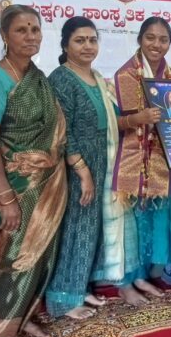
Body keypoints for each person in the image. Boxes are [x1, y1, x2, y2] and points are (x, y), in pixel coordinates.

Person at [0, 5, 67, 337]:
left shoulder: (38, 77)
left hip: (45, 187)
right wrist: (6, 197)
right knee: (14, 261)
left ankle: (19, 320)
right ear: (4, 36)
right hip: (10, 188)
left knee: (38, 258)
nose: (30, 36)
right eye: (21, 30)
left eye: (35, 29)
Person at [46, 17, 141, 314]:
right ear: (65, 45)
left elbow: (113, 120)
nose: (87, 46)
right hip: (78, 166)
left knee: (93, 229)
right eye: (80, 40)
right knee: (77, 229)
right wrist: (82, 171)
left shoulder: (97, 78)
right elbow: (62, 130)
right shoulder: (61, 79)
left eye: (92, 40)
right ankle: (63, 299)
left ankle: (81, 287)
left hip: (102, 160)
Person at [113, 17, 171, 287]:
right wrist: (138, 118)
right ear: (139, 39)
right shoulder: (125, 75)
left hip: (163, 157)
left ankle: (155, 270)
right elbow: (115, 123)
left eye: (163, 39)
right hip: (133, 157)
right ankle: (134, 276)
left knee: (161, 213)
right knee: (135, 218)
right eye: (150, 38)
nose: (156, 44)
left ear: (170, 43)